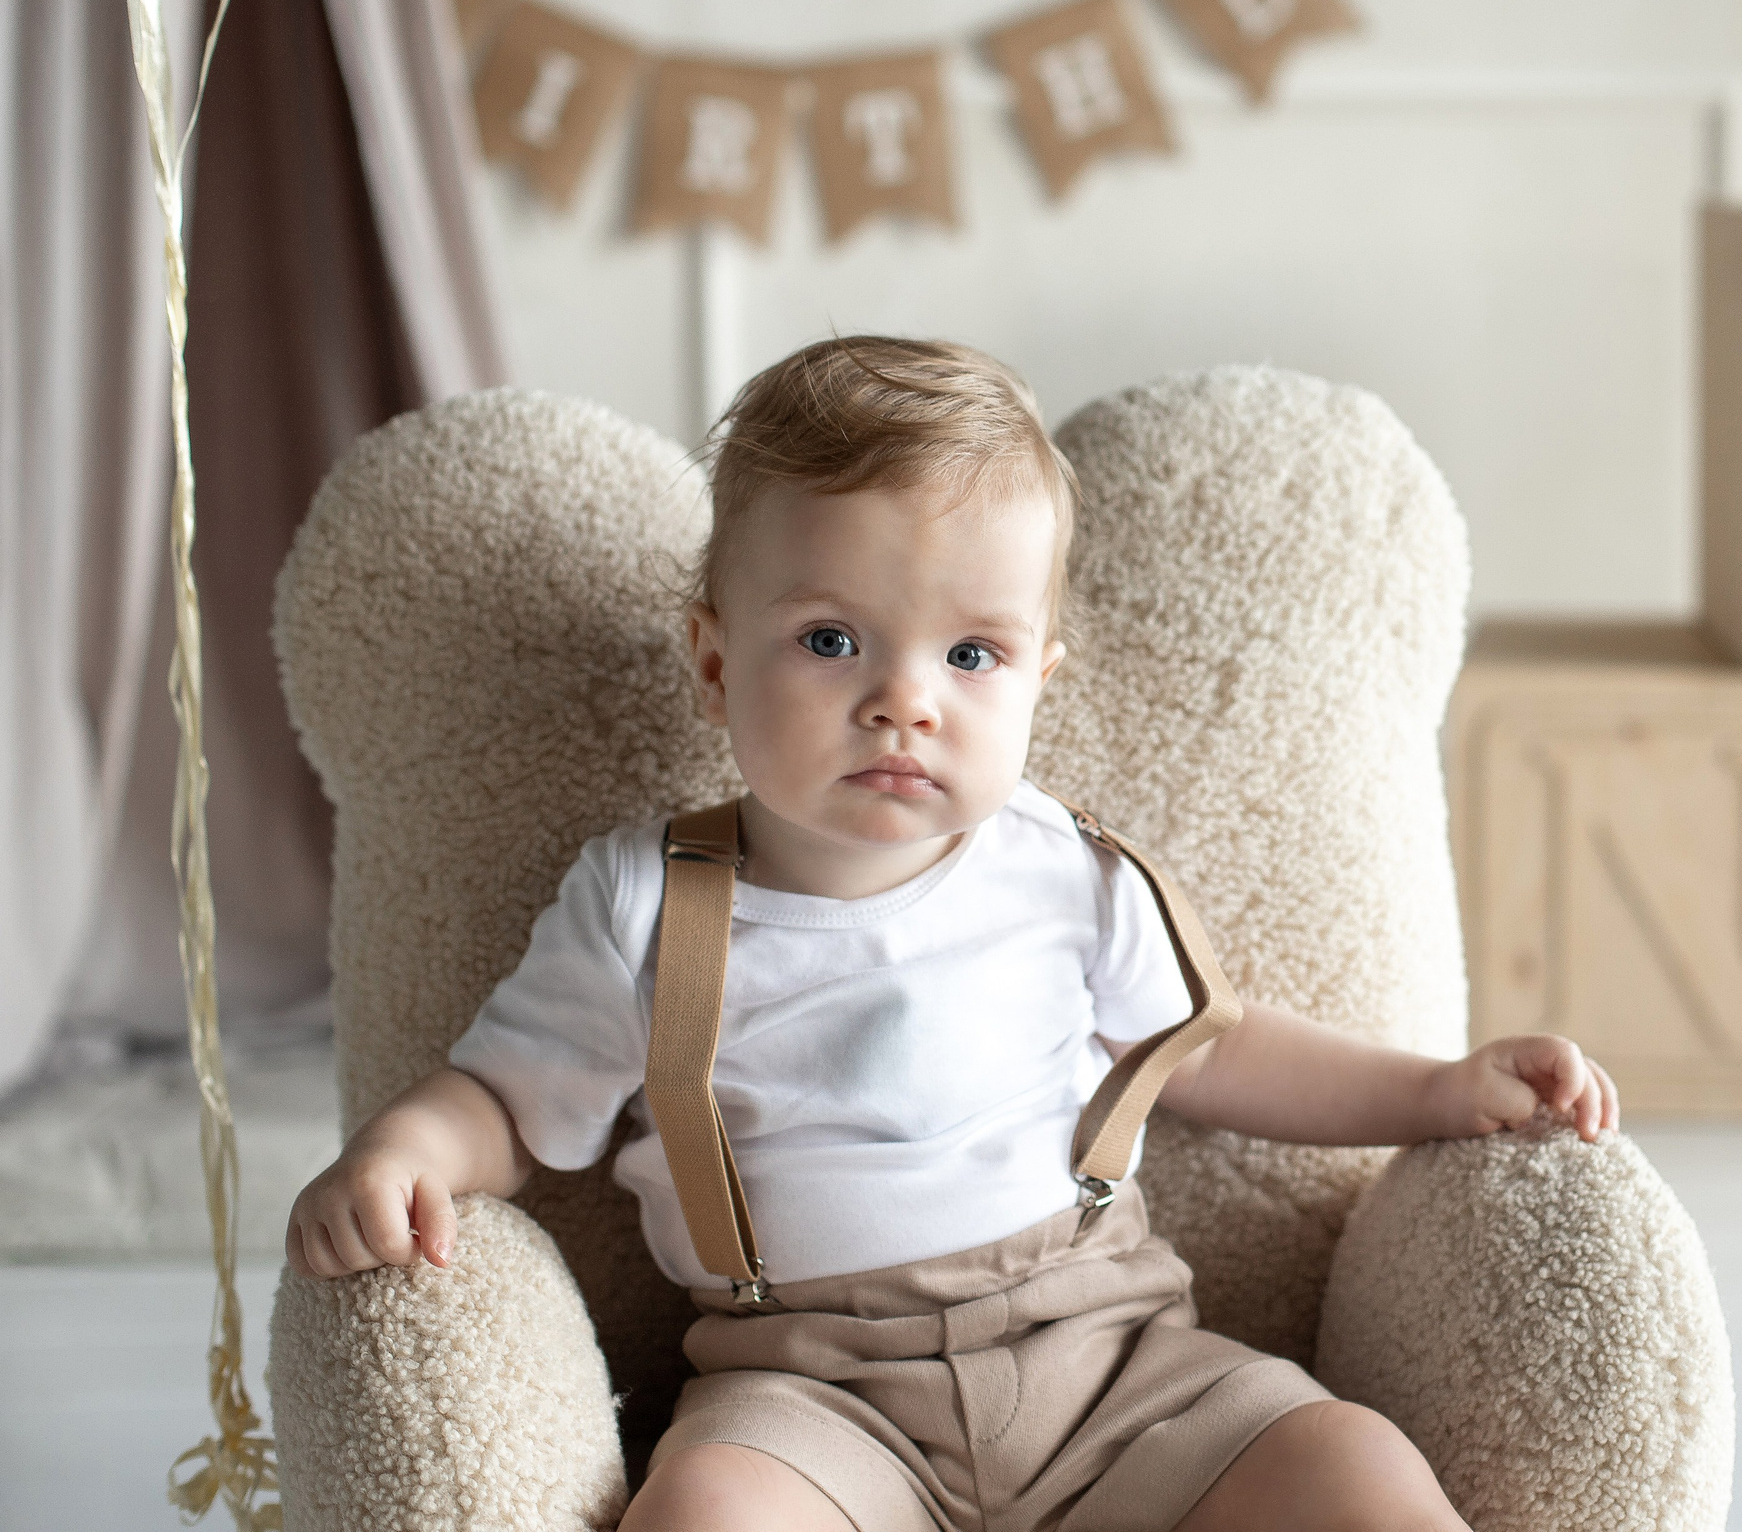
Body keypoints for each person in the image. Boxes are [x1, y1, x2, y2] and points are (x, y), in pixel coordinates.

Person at [285, 336, 1619, 1532]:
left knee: (1353, 1466)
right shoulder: (648, 901)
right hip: (809, 1396)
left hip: (1119, 1368)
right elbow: (507, 1102)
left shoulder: (1069, 870)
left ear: (1038, 679)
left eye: (971, 656)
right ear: (715, 661)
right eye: (830, 640)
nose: (903, 702)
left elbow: (1213, 1049)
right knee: (704, 1513)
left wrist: (1437, 1091)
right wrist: (408, 1151)